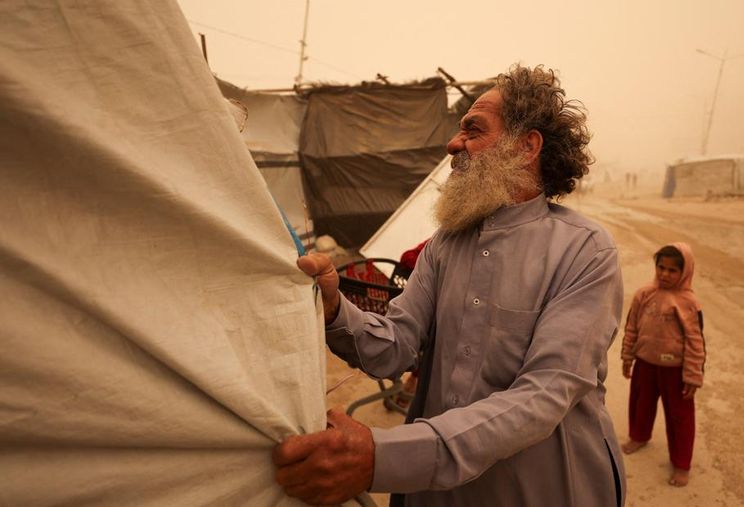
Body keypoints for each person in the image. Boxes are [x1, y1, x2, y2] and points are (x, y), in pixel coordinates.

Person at [273, 65, 625, 506]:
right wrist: (333, 308)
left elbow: (545, 394)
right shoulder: (446, 243)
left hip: (539, 488)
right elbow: (394, 346)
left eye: (472, 131)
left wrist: (381, 458)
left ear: (527, 146)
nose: (452, 144)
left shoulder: (585, 251)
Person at [620, 243, 705, 487]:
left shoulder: (688, 302)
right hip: (645, 363)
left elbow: (695, 341)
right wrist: (628, 356)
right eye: (661, 268)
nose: (665, 274)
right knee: (640, 404)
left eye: (672, 270)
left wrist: (692, 376)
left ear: (685, 272)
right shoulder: (644, 294)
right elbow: (632, 327)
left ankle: (681, 464)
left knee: (680, 418)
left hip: (675, 371)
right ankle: (639, 436)